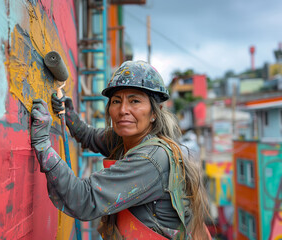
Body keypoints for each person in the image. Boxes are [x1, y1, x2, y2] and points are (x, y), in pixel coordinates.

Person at [30, 60, 210, 239]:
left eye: (135, 101)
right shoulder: (128, 138)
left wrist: (43, 144)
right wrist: (69, 115)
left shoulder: (151, 159)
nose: (123, 110)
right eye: (116, 101)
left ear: (155, 112)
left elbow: (83, 200)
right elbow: (91, 137)